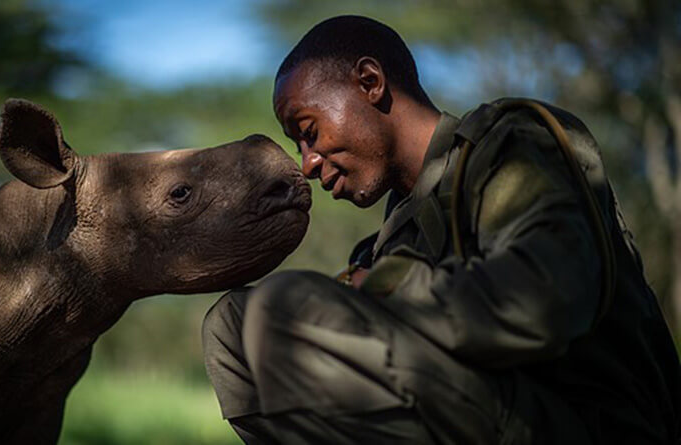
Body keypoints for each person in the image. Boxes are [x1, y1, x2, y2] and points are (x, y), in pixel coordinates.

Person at [202, 15, 681, 444]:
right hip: (481, 408)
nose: (306, 163)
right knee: (231, 326)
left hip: (583, 422)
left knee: (283, 308)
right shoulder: (387, 239)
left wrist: (389, 289)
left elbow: (545, 302)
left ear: (370, 81)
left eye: (309, 130)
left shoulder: (511, 143)